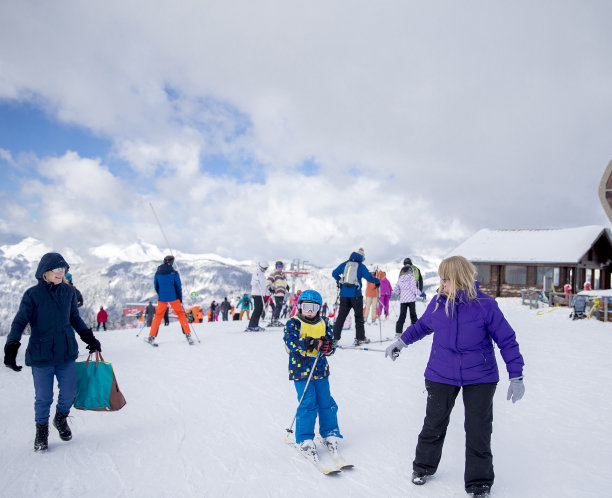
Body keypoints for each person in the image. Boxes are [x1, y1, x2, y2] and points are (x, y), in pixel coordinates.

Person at [385, 256, 525, 497]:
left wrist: (517, 376)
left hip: (480, 376)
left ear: (458, 278)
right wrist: (401, 342)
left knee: (478, 429)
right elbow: (422, 327)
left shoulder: (485, 305)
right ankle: (423, 467)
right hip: (441, 372)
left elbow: (507, 340)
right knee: (434, 423)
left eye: (445, 279)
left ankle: (479, 482)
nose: (441, 284)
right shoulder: (439, 302)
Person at [3, 252, 101, 451]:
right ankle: (41, 430)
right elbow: (20, 321)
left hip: (65, 352)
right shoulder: (32, 295)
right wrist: (12, 344)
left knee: (70, 391)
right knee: (44, 397)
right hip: (41, 355)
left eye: (63, 269)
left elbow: (75, 318)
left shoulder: (69, 292)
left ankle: (61, 417)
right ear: (44, 273)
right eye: (56, 270)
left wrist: (89, 338)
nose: (60, 273)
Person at [282, 290, 342, 460]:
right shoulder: (294, 323)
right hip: (301, 371)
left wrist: (328, 347)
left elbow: (331, 343)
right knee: (308, 403)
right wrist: (308, 342)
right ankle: (305, 439)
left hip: (320, 370)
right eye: (306, 306)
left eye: (314, 307)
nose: (310, 311)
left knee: (326, 401)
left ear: (319, 308)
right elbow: (290, 342)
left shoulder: (324, 322)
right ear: (299, 307)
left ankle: (329, 432)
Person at [331, 248, 380, 346]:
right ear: (362, 258)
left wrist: (340, 280)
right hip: (356, 296)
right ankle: (360, 338)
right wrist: (377, 281)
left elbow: (334, 273)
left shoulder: (345, 264)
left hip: (344, 295)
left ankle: (334, 339)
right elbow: (369, 278)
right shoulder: (361, 266)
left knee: (341, 317)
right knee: (358, 317)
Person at [147, 255, 194, 346]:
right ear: (171, 262)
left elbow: (156, 286)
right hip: (173, 297)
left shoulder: (157, 273)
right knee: (181, 314)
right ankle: (188, 334)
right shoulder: (174, 273)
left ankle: (151, 336)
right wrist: (180, 298)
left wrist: (160, 294)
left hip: (162, 298)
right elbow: (178, 287)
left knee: (158, 317)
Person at [393, 265, 419, 336]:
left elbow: (395, 290)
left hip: (403, 300)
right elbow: (414, 289)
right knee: (413, 315)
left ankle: (398, 333)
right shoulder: (412, 278)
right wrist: (421, 293)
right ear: (410, 271)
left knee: (402, 316)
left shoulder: (400, 279)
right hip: (411, 299)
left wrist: (400, 293)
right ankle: (416, 331)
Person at [247, 261, 269, 332]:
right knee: (257, 309)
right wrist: (255, 281)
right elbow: (252, 283)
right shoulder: (256, 273)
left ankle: (255, 325)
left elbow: (263, 286)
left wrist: (267, 292)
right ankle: (251, 325)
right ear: (261, 268)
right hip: (257, 294)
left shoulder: (262, 275)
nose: (266, 270)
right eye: (265, 268)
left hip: (261, 294)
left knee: (259, 309)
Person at [267, 261, 290, 326]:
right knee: (278, 306)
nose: (280, 268)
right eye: (279, 267)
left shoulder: (283, 274)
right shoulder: (274, 274)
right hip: (277, 292)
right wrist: (270, 289)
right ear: (276, 267)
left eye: (281, 266)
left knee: (279, 307)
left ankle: (275, 319)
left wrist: (287, 286)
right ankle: (274, 319)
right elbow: (268, 282)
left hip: (282, 293)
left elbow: (284, 283)